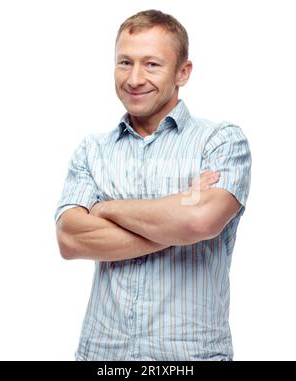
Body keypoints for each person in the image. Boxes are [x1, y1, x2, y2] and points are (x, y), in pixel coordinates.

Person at [55, 9, 251, 361]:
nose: (134, 78)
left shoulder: (220, 142)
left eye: (152, 65)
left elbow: (199, 222)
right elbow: (70, 239)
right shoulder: (92, 150)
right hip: (103, 354)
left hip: (188, 356)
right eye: (124, 62)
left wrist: (106, 209)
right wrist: (176, 212)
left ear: (183, 73)